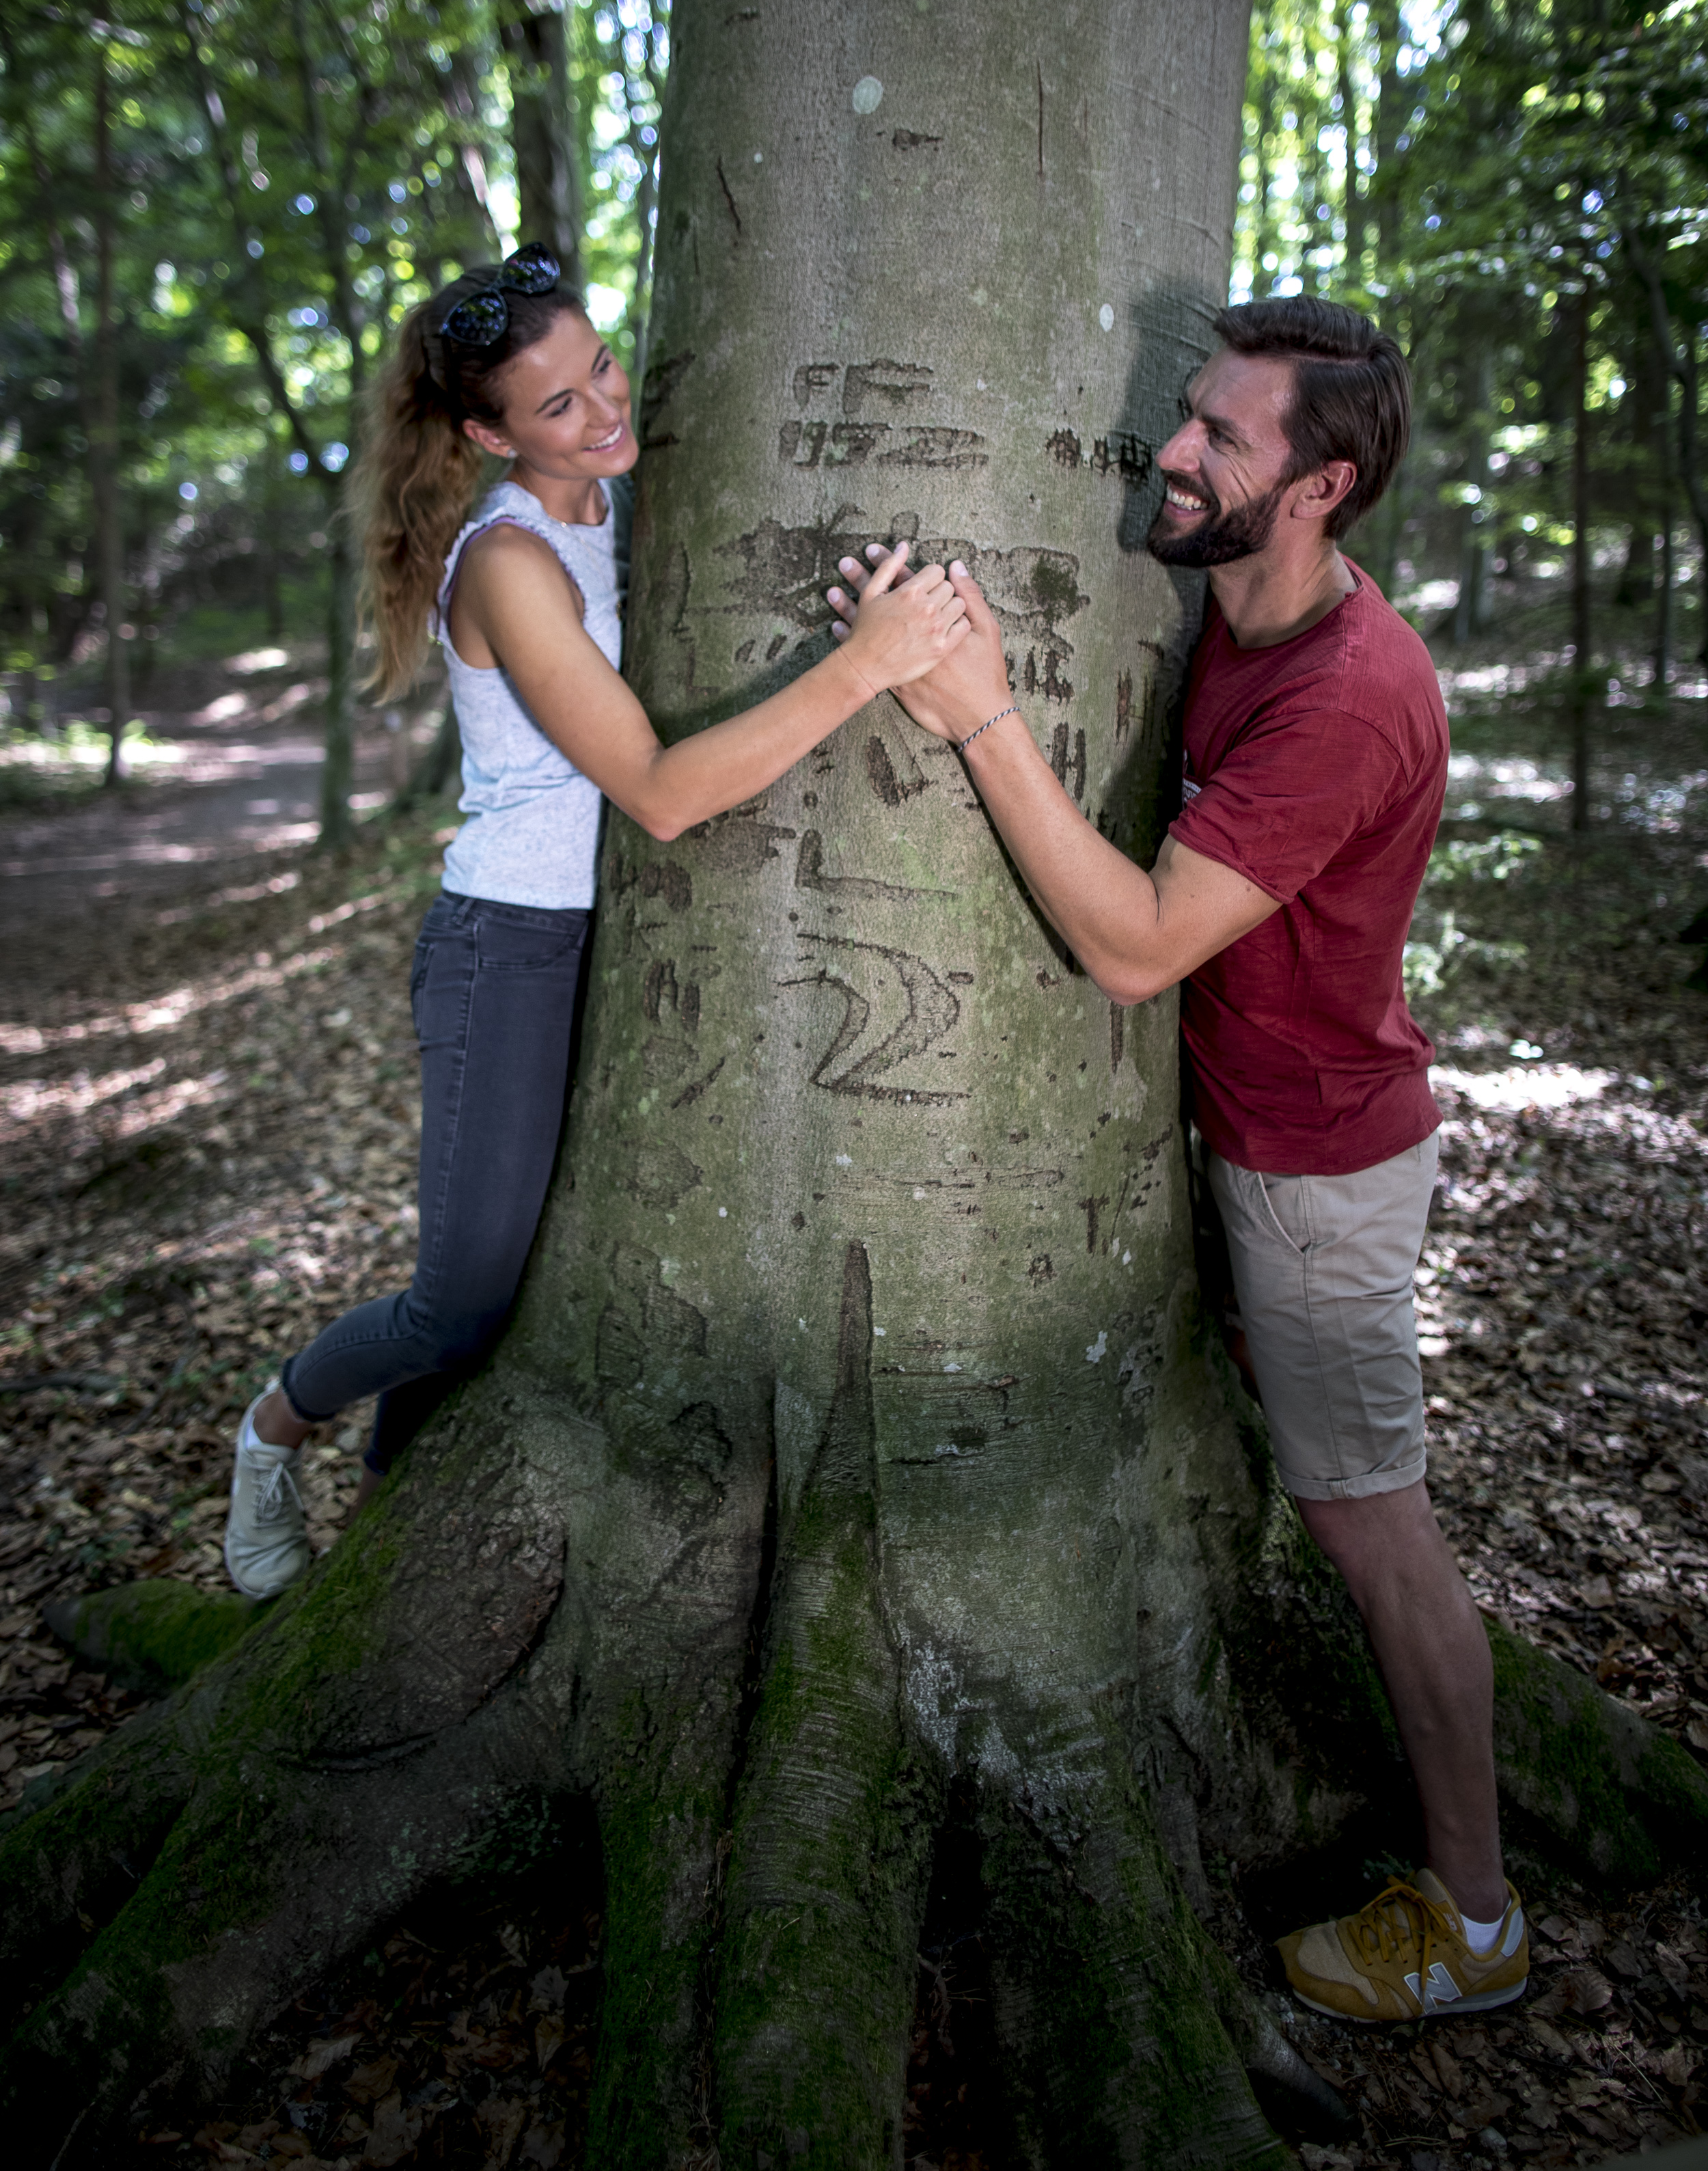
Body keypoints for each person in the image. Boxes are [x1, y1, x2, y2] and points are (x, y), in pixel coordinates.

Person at [825, 295, 1527, 2026]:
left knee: (1371, 1529)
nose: (1172, 450)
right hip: (1223, 1142)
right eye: (1186, 415)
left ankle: (1478, 1917)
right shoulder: (1225, 602)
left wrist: (981, 711)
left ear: (1321, 487)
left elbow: (1136, 946)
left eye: (1221, 436)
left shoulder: (1351, 696)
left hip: (1313, 1175)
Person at [224, 243, 968, 1600]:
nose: (603, 409)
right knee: (461, 1298)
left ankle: (389, 1529)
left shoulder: (616, 502)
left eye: (602, 367)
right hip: (502, 948)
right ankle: (273, 1430)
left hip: (593, 947)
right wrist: (867, 665)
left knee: (515, 1272)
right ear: (486, 434)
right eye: (557, 405)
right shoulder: (509, 561)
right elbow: (662, 791)